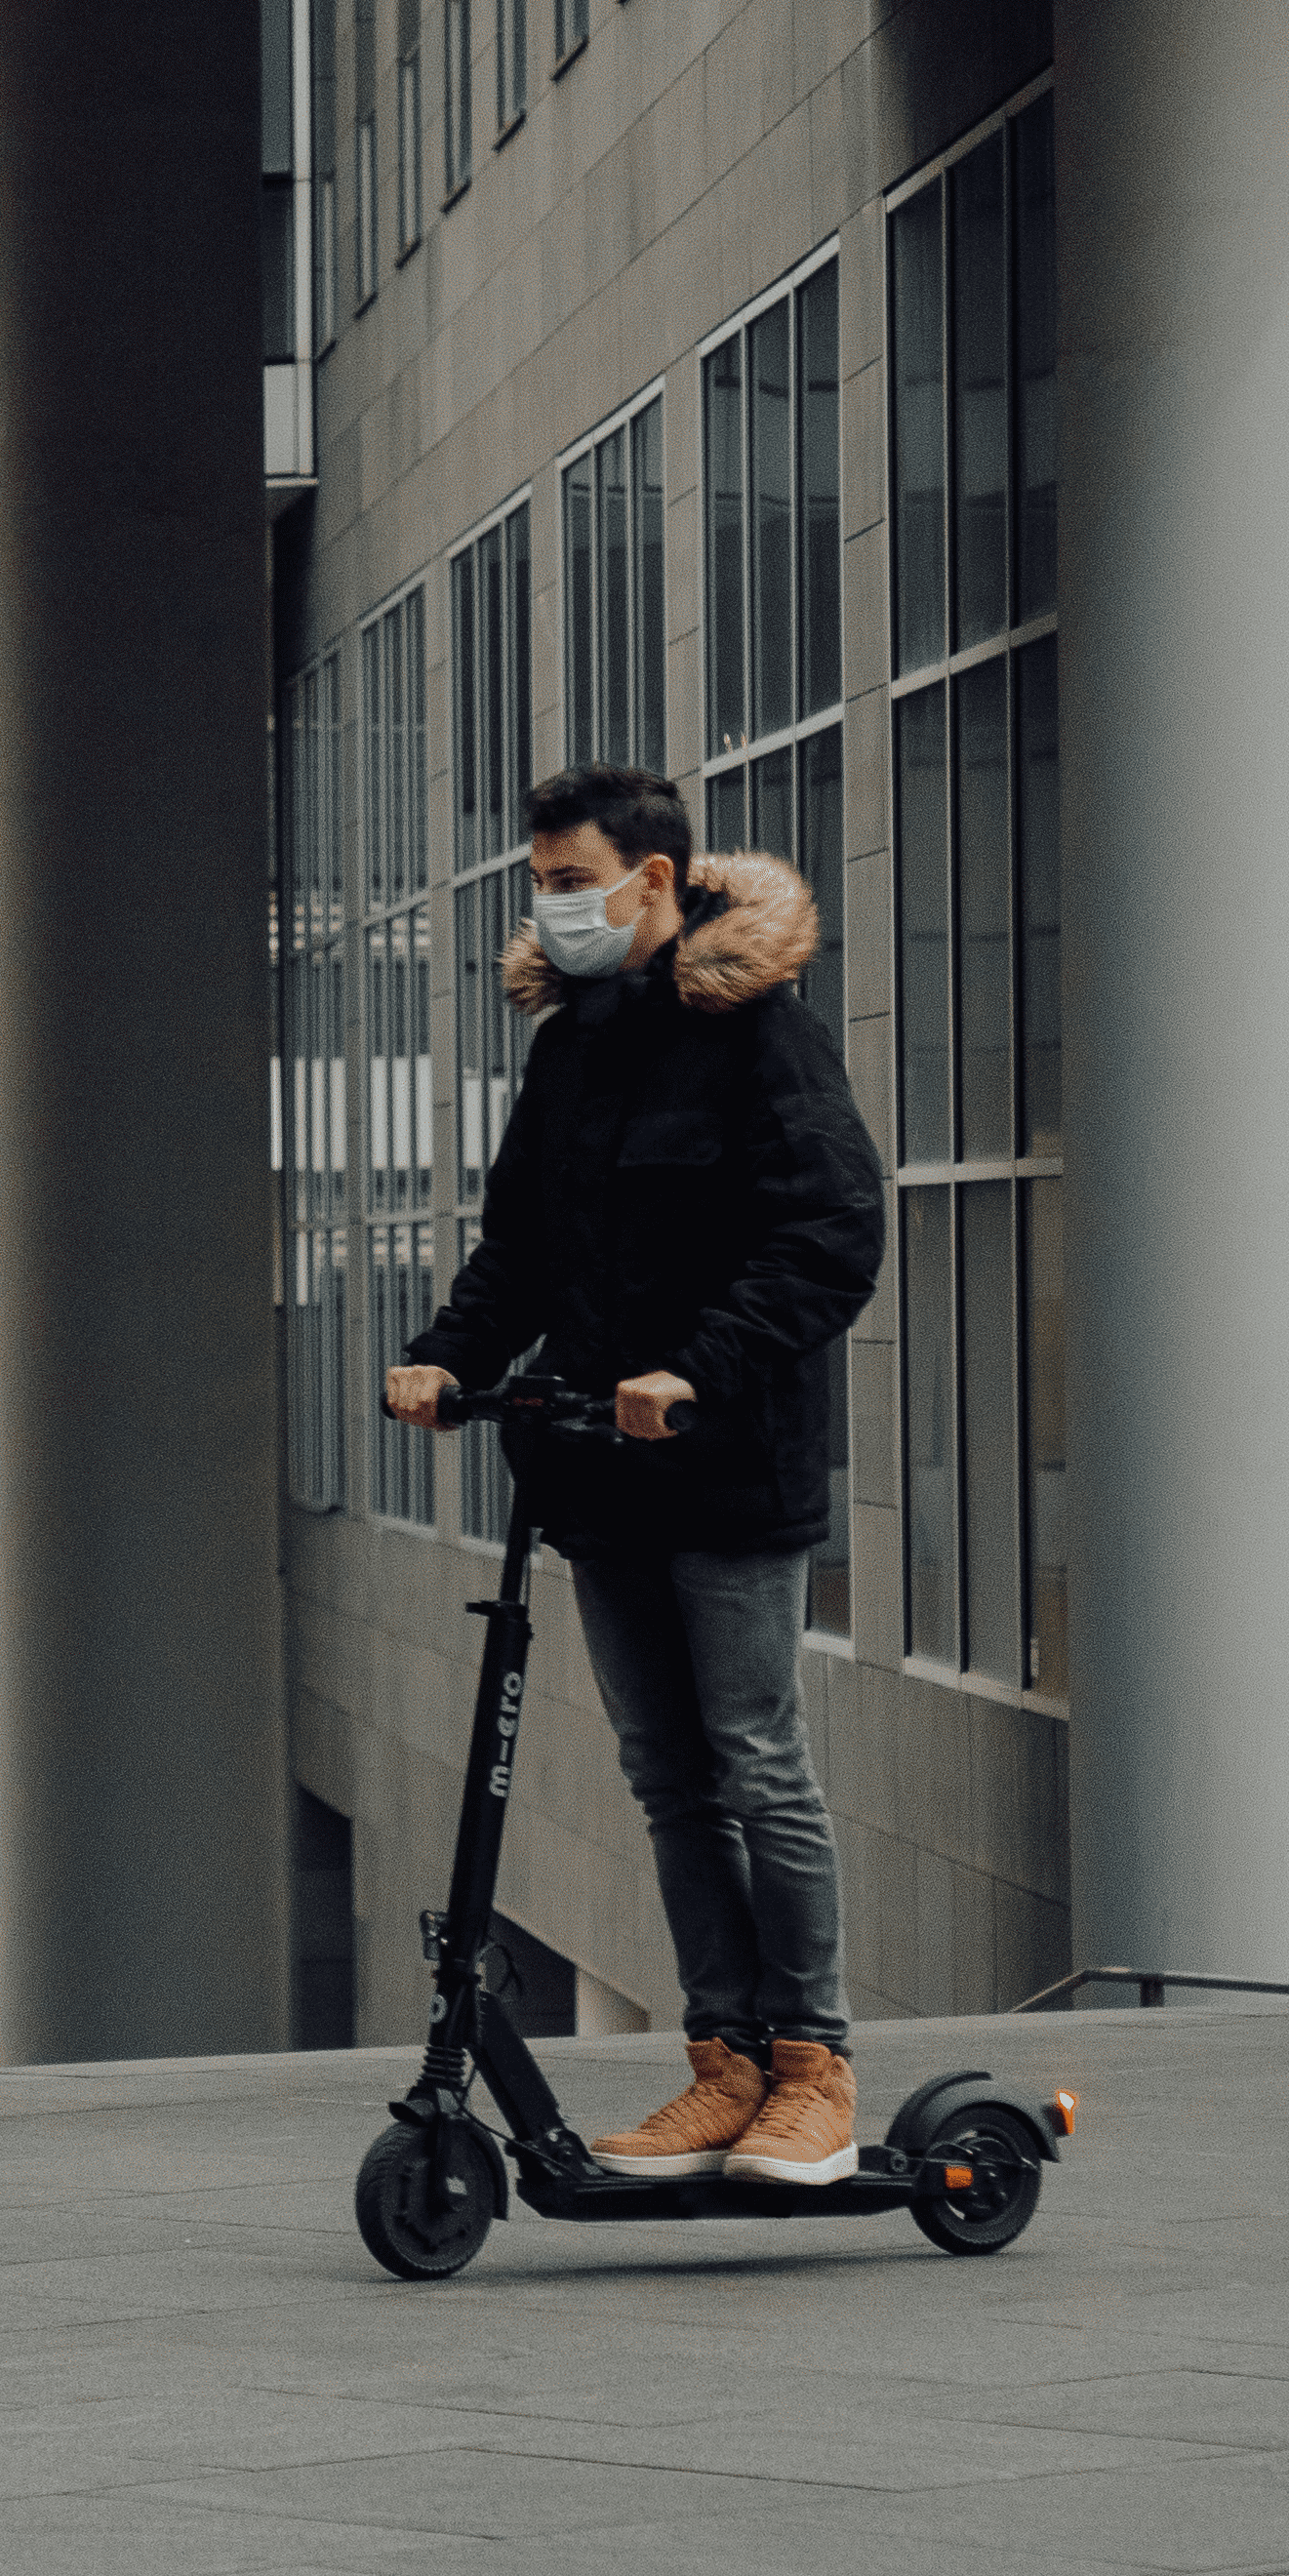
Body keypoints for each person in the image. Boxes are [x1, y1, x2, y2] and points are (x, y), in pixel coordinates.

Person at [385, 761, 883, 2188]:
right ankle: (720, 2063)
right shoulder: (574, 1046)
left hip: (724, 1467)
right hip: (597, 1473)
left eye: (567, 878)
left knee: (755, 1761)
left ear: (651, 879)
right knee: (667, 1780)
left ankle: (813, 2068)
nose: (549, 905)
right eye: (537, 881)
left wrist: (699, 1368)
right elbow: (520, 1251)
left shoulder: (759, 1037)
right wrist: (440, 1352)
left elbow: (830, 1233)